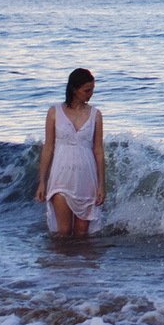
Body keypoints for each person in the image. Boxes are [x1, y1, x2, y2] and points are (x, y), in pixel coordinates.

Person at [35, 68, 106, 236]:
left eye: (92, 90)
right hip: (61, 177)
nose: (90, 94)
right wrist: (42, 182)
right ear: (75, 89)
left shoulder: (96, 115)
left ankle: (80, 263)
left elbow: (98, 151)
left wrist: (102, 185)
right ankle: (57, 262)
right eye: (87, 90)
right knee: (64, 231)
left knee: (82, 234)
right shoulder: (54, 112)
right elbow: (48, 148)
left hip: (87, 179)